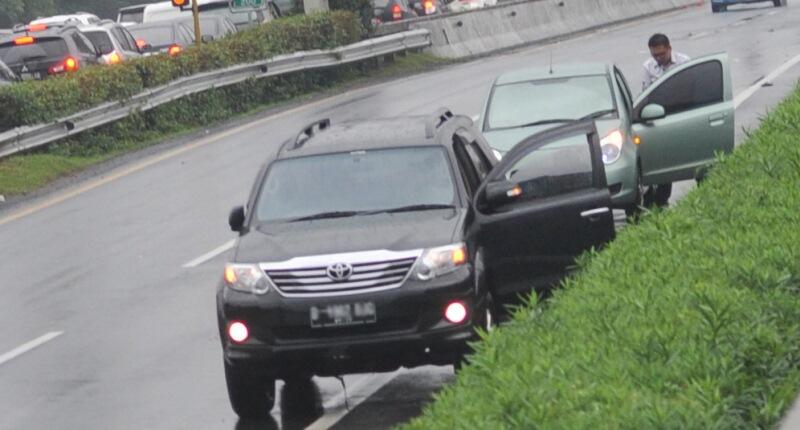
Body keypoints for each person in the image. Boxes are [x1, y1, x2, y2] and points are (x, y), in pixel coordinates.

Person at [641, 33, 690, 206]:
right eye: (655, 55)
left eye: (662, 54)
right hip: (660, 116)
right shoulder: (648, 67)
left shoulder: (684, 62)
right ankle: (661, 200)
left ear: (669, 48)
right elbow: (646, 94)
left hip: (682, 113)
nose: (659, 58)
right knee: (663, 159)